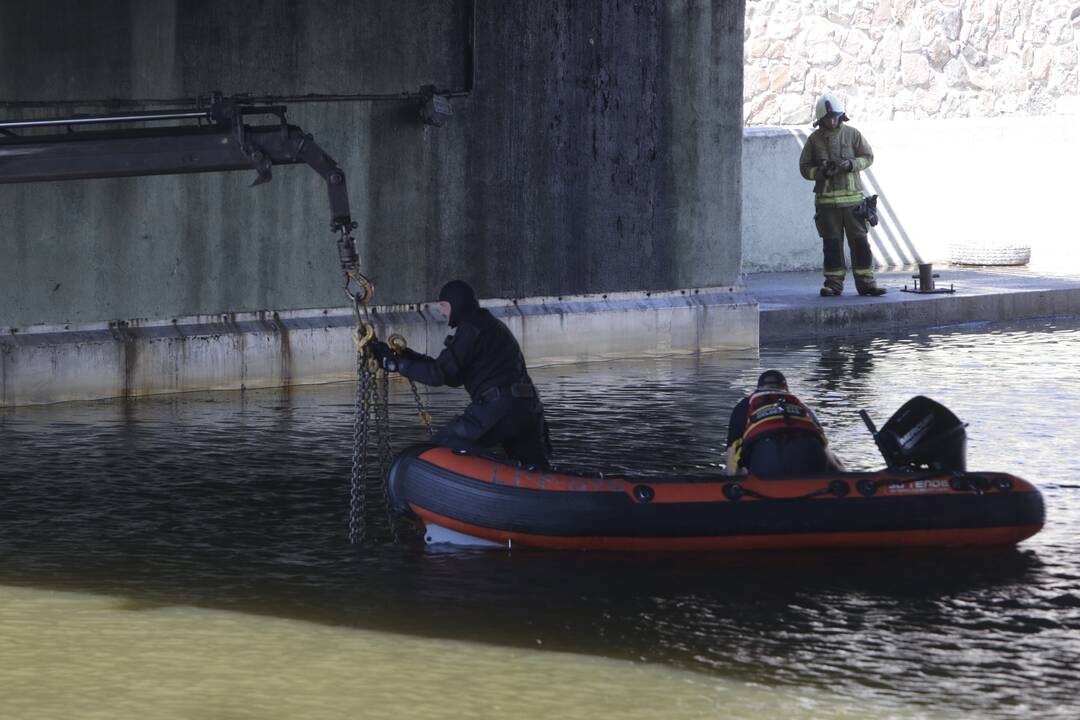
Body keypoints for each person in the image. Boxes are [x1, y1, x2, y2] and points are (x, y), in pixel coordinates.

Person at [371, 280, 551, 467]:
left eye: (444, 306)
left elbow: (437, 375)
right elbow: (451, 375)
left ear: (457, 304)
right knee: (536, 469)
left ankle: (497, 467)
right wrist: (406, 356)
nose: (442, 312)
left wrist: (393, 364)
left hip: (500, 407)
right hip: (528, 408)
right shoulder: (490, 325)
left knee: (443, 445)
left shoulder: (471, 329)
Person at [798, 93, 886, 297]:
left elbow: (868, 156)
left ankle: (867, 284)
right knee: (832, 246)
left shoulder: (853, 134)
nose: (831, 121)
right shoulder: (814, 140)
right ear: (820, 119)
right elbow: (804, 169)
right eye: (827, 118)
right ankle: (833, 285)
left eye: (835, 116)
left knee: (860, 244)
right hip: (827, 206)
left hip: (854, 204)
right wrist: (821, 172)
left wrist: (852, 164)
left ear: (841, 115)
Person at [725, 370, 844, 477]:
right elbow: (829, 454)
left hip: (767, 463)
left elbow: (732, 460)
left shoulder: (745, 406)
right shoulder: (800, 406)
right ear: (786, 388)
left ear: (758, 389)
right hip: (812, 458)